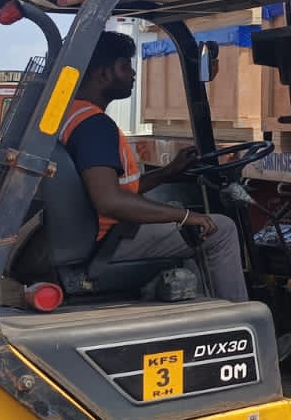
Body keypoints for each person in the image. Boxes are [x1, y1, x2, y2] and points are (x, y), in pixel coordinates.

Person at [61, 30, 247, 301]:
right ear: (103, 73)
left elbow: (117, 188)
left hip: (87, 233)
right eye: (125, 66)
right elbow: (109, 201)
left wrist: (169, 172)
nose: (133, 73)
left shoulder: (71, 114)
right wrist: (184, 215)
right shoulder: (94, 126)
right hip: (105, 241)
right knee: (222, 230)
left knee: (188, 231)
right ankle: (239, 316)